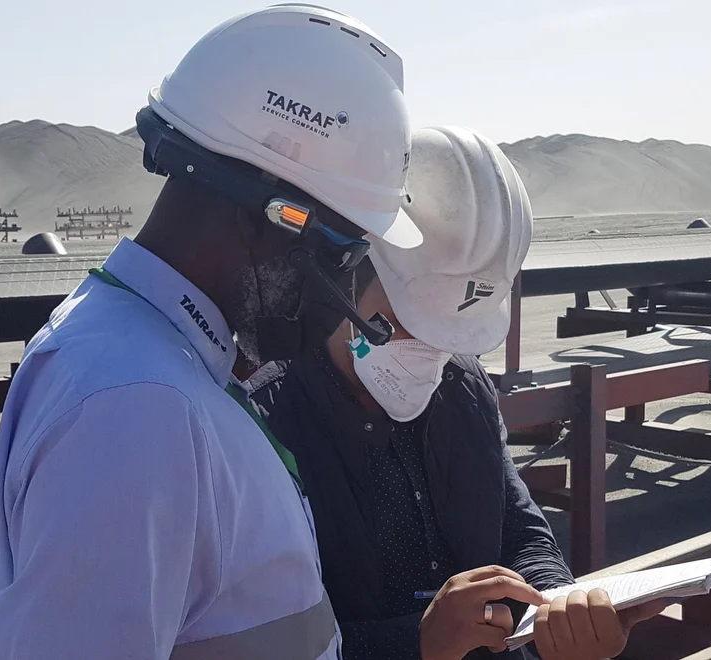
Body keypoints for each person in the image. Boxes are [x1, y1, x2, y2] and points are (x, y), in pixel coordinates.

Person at [0, 6, 503, 659]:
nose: (345, 293)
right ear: (277, 219)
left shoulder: (160, 366)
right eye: (344, 253)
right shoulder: (134, 408)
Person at [249, 126, 664, 660]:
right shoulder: (266, 424)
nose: (430, 352)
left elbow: (517, 527)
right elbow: (258, 641)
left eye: (451, 335)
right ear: (343, 276)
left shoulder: (464, 389)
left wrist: (556, 609)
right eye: (409, 322)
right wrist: (417, 645)